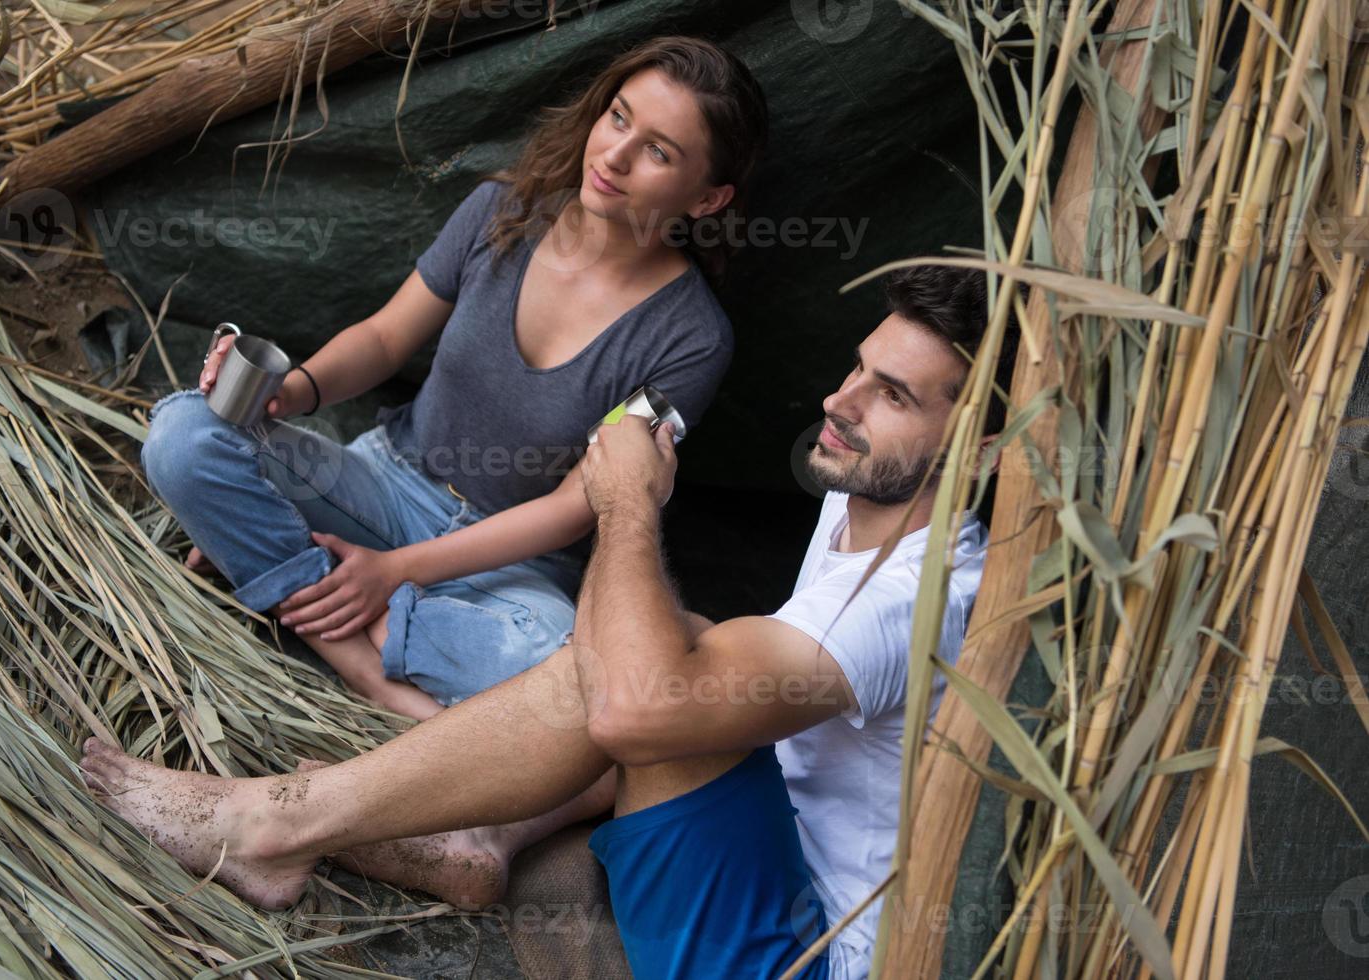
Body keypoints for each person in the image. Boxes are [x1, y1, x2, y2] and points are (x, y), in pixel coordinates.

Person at [84, 265, 1018, 978]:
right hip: (769, 835)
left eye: (890, 396)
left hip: (792, 952)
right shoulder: (867, 503)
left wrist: (625, 505)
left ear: (975, 443)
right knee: (672, 638)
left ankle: (267, 828)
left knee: (629, 677)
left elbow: (627, 711)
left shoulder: (912, 599)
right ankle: (482, 839)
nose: (838, 401)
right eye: (857, 369)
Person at [139, 36, 769, 720]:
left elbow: (572, 506)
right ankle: (366, 654)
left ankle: (296, 591)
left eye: (658, 151)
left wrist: (394, 573)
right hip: (380, 486)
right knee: (185, 436)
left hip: (509, 567)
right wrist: (286, 393)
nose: (614, 155)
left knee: (563, 669)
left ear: (708, 199)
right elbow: (384, 338)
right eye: (617, 117)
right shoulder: (503, 210)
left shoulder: (691, 339)